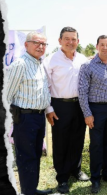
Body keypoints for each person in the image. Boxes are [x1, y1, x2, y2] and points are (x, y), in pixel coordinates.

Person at [5, 31, 52, 195]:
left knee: (36, 154)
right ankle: (27, 191)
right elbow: (7, 94)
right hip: (24, 118)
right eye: (36, 43)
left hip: (38, 117)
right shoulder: (20, 64)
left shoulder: (39, 63)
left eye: (44, 44)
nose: (41, 47)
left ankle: (32, 189)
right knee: (26, 156)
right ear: (26, 45)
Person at [43, 27, 89, 194]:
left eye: (74, 39)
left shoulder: (83, 60)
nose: (71, 42)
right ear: (60, 40)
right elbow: (45, 86)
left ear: (78, 41)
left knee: (78, 139)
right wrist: (49, 109)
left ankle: (75, 170)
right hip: (59, 105)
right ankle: (62, 177)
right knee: (61, 141)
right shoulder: (50, 60)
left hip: (80, 105)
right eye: (67, 38)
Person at [78, 35, 107, 194]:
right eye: (102, 45)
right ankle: (95, 178)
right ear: (97, 46)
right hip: (96, 110)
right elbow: (82, 92)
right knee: (96, 144)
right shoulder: (87, 66)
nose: (105, 47)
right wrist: (87, 114)